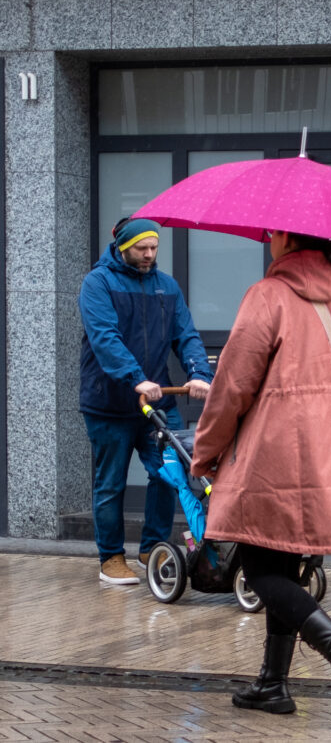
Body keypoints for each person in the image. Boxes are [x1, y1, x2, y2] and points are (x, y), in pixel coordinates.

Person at [191, 230, 331, 725]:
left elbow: (233, 385)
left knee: (258, 570)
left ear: (287, 238)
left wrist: (206, 452)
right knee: (284, 564)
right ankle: (272, 684)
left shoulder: (267, 295)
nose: (268, 239)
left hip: (275, 451)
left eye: (274, 233)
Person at [79, 217, 212, 586]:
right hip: (110, 404)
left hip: (158, 402)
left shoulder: (165, 286)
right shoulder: (98, 284)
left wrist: (199, 372)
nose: (150, 255)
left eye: (154, 248)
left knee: (170, 475)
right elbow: (105, 338)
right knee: (111, 483)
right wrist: (137, 379)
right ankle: (111, 558)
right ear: (123, 246)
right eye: (142, 248)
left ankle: (151, 547)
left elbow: (186, 335)